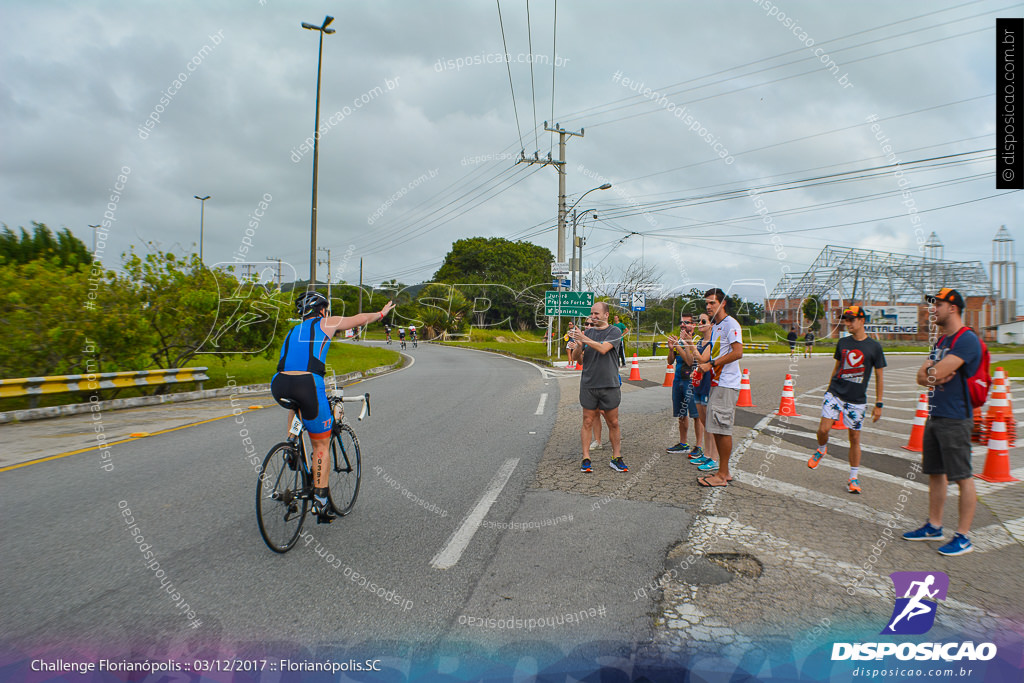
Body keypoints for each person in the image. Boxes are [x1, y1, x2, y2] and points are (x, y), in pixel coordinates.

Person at [271, 291, 394, 523]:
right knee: (320, 444)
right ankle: (321, 502)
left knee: (296, 405)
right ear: (322, 310)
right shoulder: (325, 322)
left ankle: (291, 446)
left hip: (278, 383)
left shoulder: (292, 331)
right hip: (307, 382)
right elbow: (358, 319)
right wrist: (380, 314)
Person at [903, 288, 981, 556]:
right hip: (935, 416)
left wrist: (934, 374)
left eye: (938, 304)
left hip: (956, 418)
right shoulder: (940, 342)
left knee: (962, 476)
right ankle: (934, 526)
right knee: (936, 474)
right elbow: (922, 377)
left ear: (954, 308)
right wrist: (933, 374)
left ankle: (963, 537)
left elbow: (937, 373)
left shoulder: (966, 339)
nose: (932, 309)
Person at [807, 305, 886, 494]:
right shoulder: (843, 343)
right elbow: (836, 369)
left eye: (851, 319)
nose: (847, 323)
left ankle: (853, 478)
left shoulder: (874, 347)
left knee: (854, 438)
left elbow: (880, 376)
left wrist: (879, 404)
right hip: (835, 393)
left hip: (857, 400)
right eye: (846, 320)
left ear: (862, 321)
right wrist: (828, 390)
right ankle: (821, 449)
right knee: (823, 429)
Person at [568, 301, 628, 473]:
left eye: (596, 314)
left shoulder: (614, 331)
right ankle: (586, 458)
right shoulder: (588, 332)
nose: (593, 317)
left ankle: (616, 457)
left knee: (613, 422)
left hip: (609, 384)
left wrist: (584, 338)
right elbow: (578, 359)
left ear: (606, 315)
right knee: (587, 420)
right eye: (591, 314)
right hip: (589, 383)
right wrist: (579, 346)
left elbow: (603, 349)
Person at [694, 288, 743, 487]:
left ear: (722, 303)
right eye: (707, 303)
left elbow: (738, 352)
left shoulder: (731, 324)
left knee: (722, 429)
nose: (708, 306)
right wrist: (702, 368)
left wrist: (712, 365)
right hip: (716, 382)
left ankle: (722, 475)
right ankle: (724, 472)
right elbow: (712, 354)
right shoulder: (717, 326)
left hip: (726, 383)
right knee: (716, 427)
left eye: (712, 303)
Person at [665, 313, 703, 456]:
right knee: (681, 413)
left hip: (692, 381)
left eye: (687, 322)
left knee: (696, 414)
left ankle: (699, 445)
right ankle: (683, 443)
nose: (683, 325)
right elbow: (670, 361)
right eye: (681, 322)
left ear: (693, 325)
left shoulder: (697, 341)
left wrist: (678, 346)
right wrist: (671, 348)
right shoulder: (679, 341)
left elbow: (690, 361)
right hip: (678, 379)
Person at [687, 314, 717, 465]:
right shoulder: (700, 341)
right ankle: (707, 453)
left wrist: (690, 343)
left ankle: (713, 456)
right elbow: (697, 362)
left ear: (711, 325)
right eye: (699, 320)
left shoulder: (712, 342)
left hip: (708, 385)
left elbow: (702, 359)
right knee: (704, 422)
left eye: (703, 321)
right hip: (699, 383)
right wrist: (696, 370)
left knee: (710, 423)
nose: (700, 323)